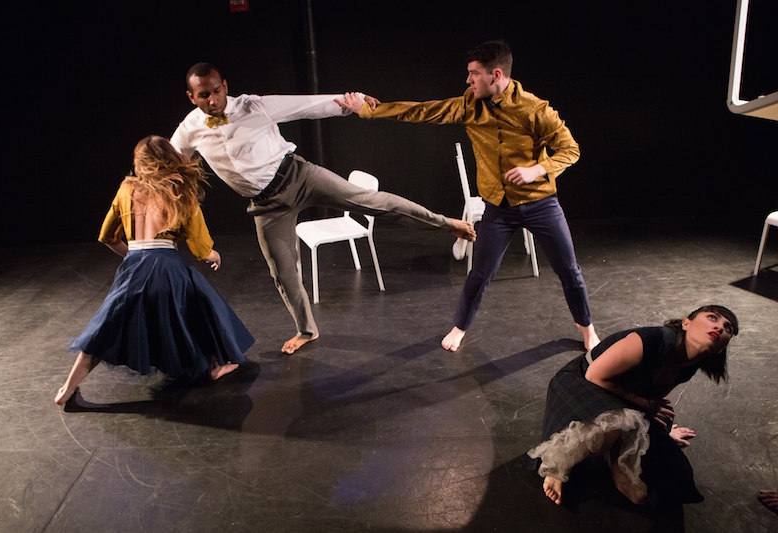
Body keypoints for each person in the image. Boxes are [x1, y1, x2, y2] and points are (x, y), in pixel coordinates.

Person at [170, 63, 476, 355]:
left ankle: (445, 224)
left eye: (216, 91)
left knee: (370, 200)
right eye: (204, 95)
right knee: (282, 272)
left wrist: (352, 104)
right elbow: (168, 162)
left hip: (299, 177)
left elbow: (305, 105)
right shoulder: (189, 129)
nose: (213, 100)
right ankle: (306, 330)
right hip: (266, 206)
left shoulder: (253, 106)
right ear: (191, 97)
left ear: (225, 86)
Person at [336, 40, 600, 353]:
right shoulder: (468, 105)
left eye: (474, 74)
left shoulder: (535, 110)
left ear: (496, 75)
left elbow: (571, 150)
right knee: (479, 273)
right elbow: (423, 111)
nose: (468, 80)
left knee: (569, 270)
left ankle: (587, 330)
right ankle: (460, 327)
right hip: (499, 209)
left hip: (541, 203)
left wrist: (537, 170)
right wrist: (367, 110)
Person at [54, 136, 255, 406]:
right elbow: (199, 247)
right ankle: (213, 367)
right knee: (200, 305)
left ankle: (67, 389)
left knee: (104, 327)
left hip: (135, 265)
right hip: (168, 267)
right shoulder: (181, 189)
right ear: (170, 158)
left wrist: (136, 257)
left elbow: (107, 236)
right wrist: (213, 255)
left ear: (140, 163)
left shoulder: (127, 189)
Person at [526, 305, 739, 508]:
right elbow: (594, 376)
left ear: (722, 348)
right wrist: (645, 405)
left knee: (640, 494)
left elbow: (653, 396)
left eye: (727, 327)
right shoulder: (653, 340)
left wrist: (663, 431)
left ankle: (611, 454)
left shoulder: (688, 366)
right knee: (617, 422)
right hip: (581, 383)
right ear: (686, 323)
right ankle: (558, 468)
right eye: (712, 318)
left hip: (620, 401)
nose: (719, 327)